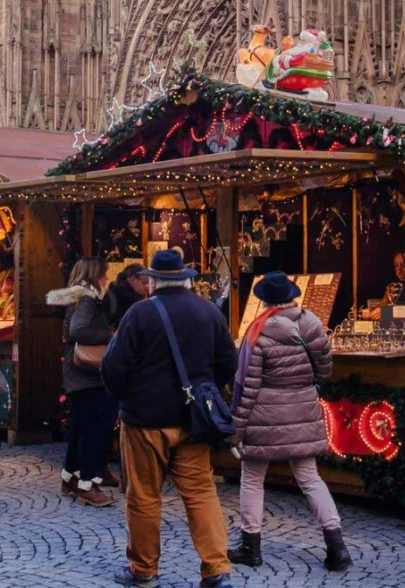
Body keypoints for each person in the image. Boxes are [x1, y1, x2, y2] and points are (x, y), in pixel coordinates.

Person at [101, 249, 236, 588]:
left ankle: (144, 571)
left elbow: (113, 368)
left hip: (145, 420)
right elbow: (228, 364)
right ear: (186, 278)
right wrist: (204, 391)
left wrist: (128, 398)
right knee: (202, 493)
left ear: (152, 281)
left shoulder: (139, 314)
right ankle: (217, 569)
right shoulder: (208, 312)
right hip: (194, 420)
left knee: (144, 496)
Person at [229, 270, 350, 572]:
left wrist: (236, 430)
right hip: (304, 409)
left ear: (265, 301)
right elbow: (325, 371)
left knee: (253, 479)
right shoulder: (312, 323)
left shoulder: (259, 331)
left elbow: (248, 387)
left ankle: (250, 546)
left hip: (265, 415)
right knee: (310, 478)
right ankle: (338, 547)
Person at [47, 258, 120, 508]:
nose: (107, 279)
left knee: (79, 428)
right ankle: (88, 484)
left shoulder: (78, 297)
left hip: (78, 377)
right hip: (89, 377)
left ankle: (70, 477)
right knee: (95, 430)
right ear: (93, 276)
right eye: (103, 275)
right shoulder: (88, 299)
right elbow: (79, 331)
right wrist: (109, 335)